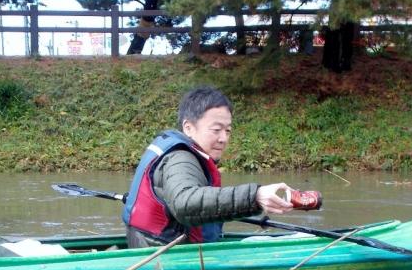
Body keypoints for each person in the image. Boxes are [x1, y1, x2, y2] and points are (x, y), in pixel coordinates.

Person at [122, 86, 294, 248]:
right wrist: (255, 196)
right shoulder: (180, 159)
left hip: (158, 247)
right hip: (164, 259)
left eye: (228, 131)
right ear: (188, 127)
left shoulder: (185, 154)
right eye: (216, 130)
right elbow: (185, 203)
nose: (224, 138)